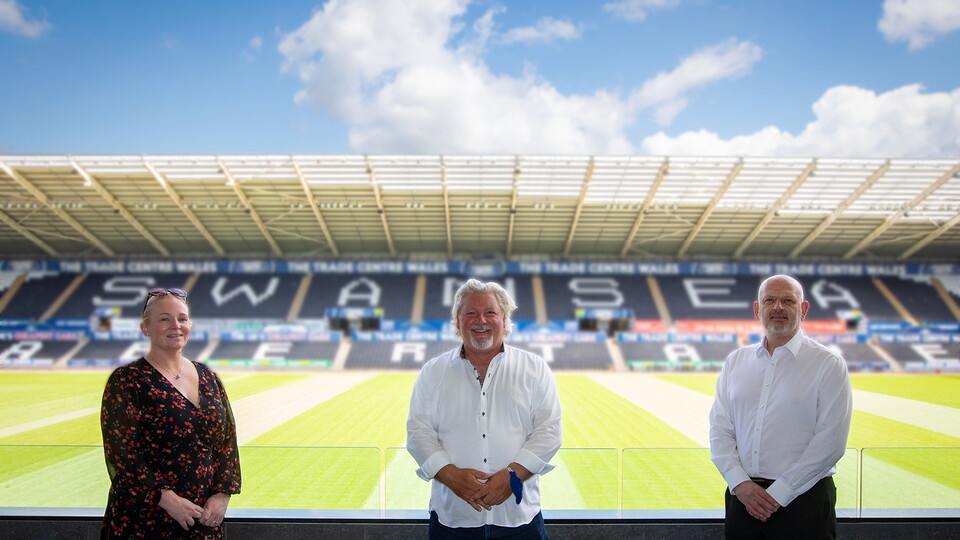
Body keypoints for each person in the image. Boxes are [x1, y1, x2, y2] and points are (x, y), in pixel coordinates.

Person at [406, 279, 562, 539]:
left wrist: (512, 478)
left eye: (490, 312)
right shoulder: (433, 372)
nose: (481, 320)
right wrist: (451, 477)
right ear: (458, 321)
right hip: (453, 519)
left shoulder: (534, 368)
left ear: (504, 319)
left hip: (519, 520)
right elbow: (418, 433)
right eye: (470, 313)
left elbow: (549, 431)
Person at [709, 274, 853, 539]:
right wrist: (740, 483)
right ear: (757, 309)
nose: (778, 307)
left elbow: (830, 442)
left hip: (804, 501)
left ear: (803, 309)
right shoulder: (736, 361)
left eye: (788, 300)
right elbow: (720, 428)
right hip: (743, 499)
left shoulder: (827, 364)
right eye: (770, 300)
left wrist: (780, 492)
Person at [100, 287, 241, 539]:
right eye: (164, 318)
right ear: (146, 328)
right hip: (145, 519)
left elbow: (227, 441)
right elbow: (122, 454)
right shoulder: (127, 380)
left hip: (203, 520)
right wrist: (164, 497)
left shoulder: (209, 377)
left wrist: (222, 494)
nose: (175, 325)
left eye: (182, 318)